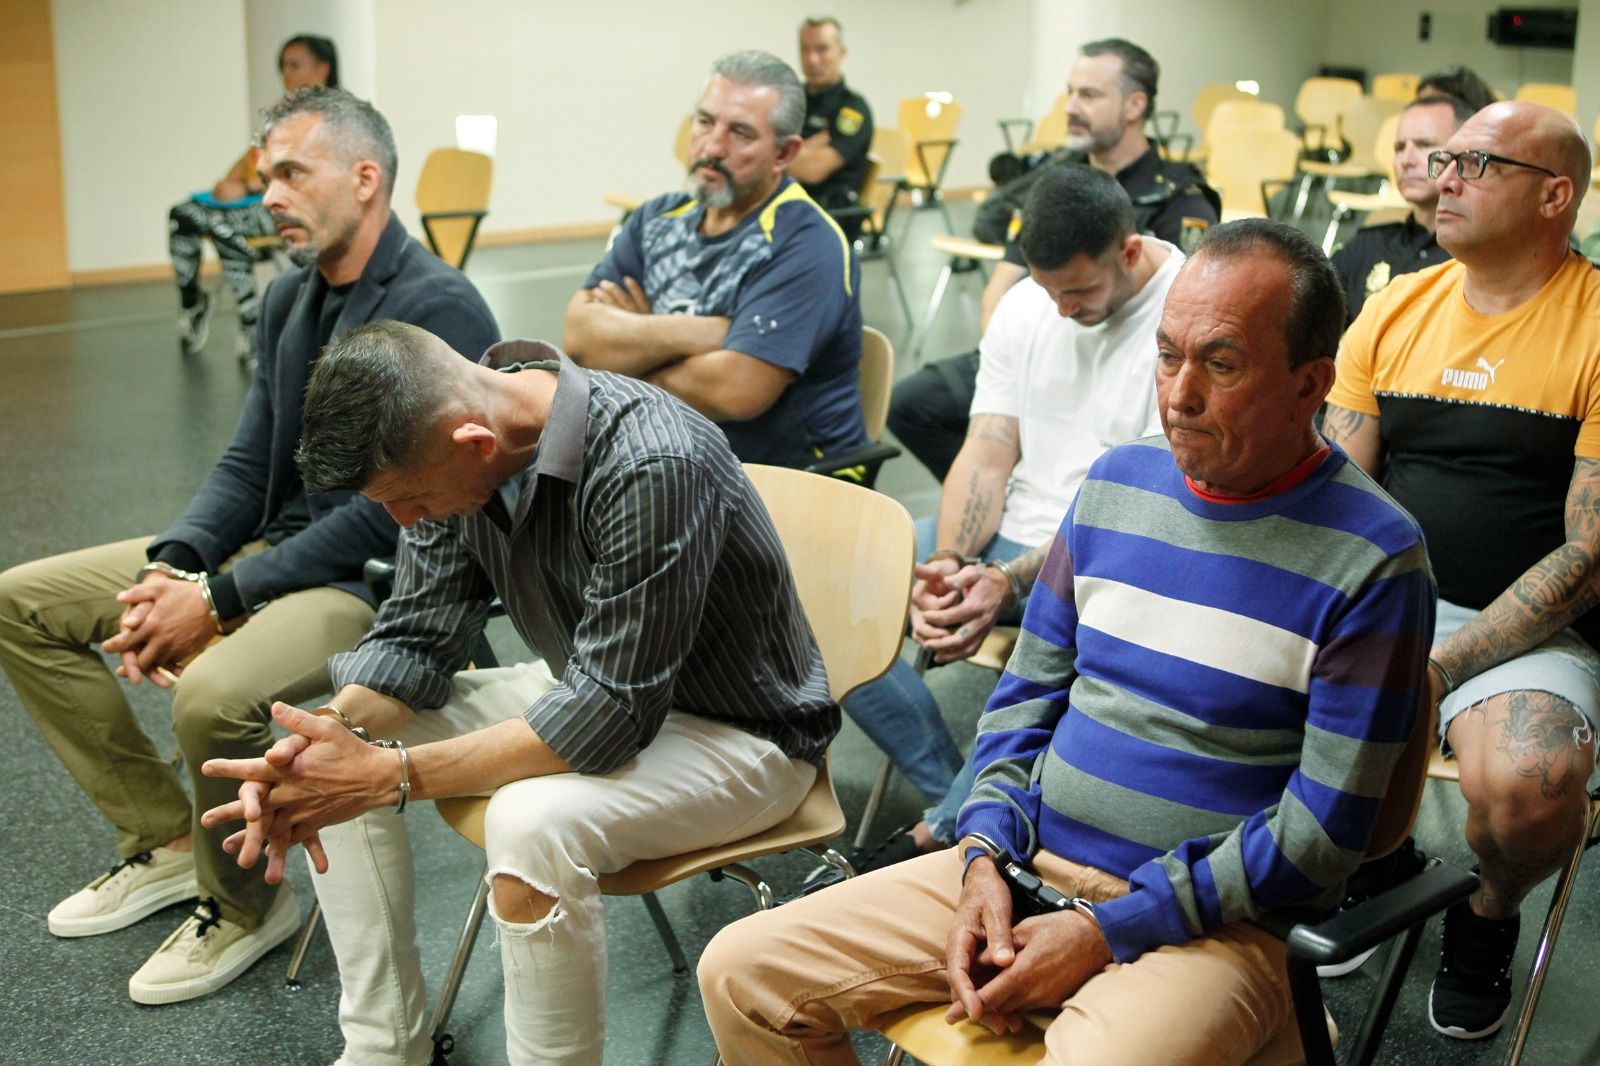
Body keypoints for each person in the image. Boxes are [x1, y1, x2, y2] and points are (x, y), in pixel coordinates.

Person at [698, 218, 1435, 1065]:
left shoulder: (1374, 557)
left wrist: (1103, 929)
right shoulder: (1116, 486)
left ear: (1313, 383)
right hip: (1021, 870)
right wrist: (982, 856)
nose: (1179, 394)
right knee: (743, 973)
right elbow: (1022, 702)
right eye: (1167, 356)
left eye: (1221, 364)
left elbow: (1322, 836)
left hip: (1213, 926)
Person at [198, 322, 836, 1065]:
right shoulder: (448, 456)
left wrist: (392, 776)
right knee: (325, 758)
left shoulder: (652, 459)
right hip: (594, 683)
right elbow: (415, 639)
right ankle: (382, 1048)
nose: (403, 521)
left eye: (406, 499)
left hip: (743, 734)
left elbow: (607, 716)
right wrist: (335, 735)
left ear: (473, 443)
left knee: (527, 823)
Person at [0, 87, 498, 1006]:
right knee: (22, 601)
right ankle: (161, 837)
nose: (267, 194)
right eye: (266, 173)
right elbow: (245, 461)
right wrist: (176, 562)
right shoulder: (288, 299)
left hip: (377, 580)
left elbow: (396, 510)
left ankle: (241, 907)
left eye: (288, 173)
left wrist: (221, 600)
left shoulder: (439, 306)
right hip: (275, 556)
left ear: (364, 178)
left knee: (212, 692)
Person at [1323, 100, 1600, 1041]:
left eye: (1476, 165)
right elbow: (1335, 494)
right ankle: (1379, 865)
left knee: (1530, 787)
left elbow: (1591, 555)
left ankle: (1484, 911)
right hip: (1392, 604)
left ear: (1554, 194)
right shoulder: (1395, 308)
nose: (1443, 179)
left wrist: (1439, 667)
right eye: (1444, 160)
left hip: (1535, 627)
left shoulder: (1597, 324)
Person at [839, 164, 1182, 854]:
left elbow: (1143, 510)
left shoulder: (1182, 318)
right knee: (826, 596)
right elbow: (989, 450)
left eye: (1079, 290)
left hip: (1109, 559)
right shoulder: (1031, 305)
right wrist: (948, 562)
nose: (1062, 309)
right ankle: (949, 791)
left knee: (1061, 647)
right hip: (1013, 541)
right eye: (1049, 289)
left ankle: (938, 834)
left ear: (1131, 251)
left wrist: (1010, 580)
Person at [891, 38, 1217, 482]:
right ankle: (1009, 490)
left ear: (1134, 105)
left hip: (1121, 368)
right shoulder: (1052, 184)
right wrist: (1010, 374)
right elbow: (1000, 287)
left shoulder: (1180, 199)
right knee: (912, 405)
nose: (1070, 107)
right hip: (1040, 348)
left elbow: (1184, 324)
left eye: (1089, 94)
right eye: (1070, 92)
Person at [563, 50, 867, 470]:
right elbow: (579, 337)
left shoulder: (807, 244)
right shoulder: (656, 217)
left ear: (784, 153)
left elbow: (737, 391)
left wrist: (632, 356)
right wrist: (702, 333)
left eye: (740, 133)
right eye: (705, 122)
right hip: (672, 451)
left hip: (792, 479)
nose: (712, 146)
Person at [170, 34, 339, 361]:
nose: (287, 74)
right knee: (182, 215)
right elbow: (250, 160)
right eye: (283, 67)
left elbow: (302, 174)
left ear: (322, 69)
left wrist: (248, 185)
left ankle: (251, 320)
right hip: (254, 203)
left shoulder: (333, 120)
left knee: (222, 228)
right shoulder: (282, 117)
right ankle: (193, 303)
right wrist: (233, 181)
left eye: (295, 65)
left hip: (296, 211)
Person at [1332, 94, 1475, 324]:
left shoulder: (1476, 261)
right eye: (1399, 147)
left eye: (1424, 145)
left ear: (1466, 156)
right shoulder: (1368, 245)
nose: (1406, 160)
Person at [790, 16, 874, 240]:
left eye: (822, 49)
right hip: (785, 205)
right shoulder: (789, 100)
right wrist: (804, 150)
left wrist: (772, 158)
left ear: (842, 53)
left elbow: (812, 171)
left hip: (828, 217)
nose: (812, 59)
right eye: (805, 50)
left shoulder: (853, 110)